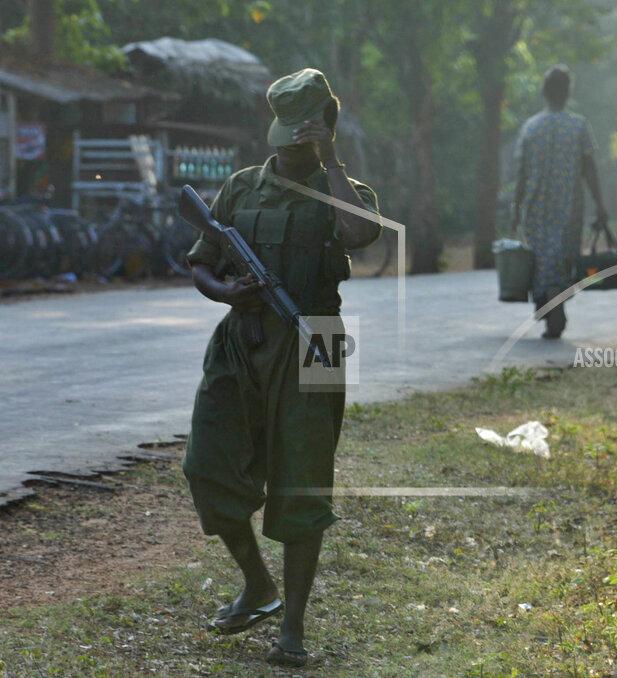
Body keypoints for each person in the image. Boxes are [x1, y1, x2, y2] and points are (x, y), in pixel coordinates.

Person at [182, 68, 381, 668]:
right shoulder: (242, 188)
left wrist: (333, 162)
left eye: (306, 132)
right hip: (241, 338)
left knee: (303, 479)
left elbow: (362, 232)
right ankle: (256, 584)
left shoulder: (347, 189)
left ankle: (290, 628)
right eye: (288, 133)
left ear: (325, 126)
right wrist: (225, 292)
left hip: (316, 337)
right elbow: (200, 262)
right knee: (206, 466)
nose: (292, 145)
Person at [512, 64, 608, 339]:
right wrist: (600, 203)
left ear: (544, 92)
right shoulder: (579, 126)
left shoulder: (531, 127)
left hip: (535, 208)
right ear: (567, 93)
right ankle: (555, 305)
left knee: (542, 260)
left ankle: (546, 304)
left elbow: (521, 174)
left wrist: (516, 210)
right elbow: (590, 168)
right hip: (569, 208)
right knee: (561, 259)